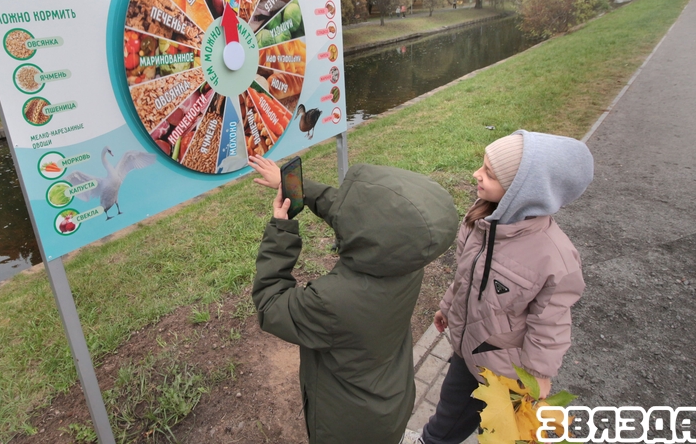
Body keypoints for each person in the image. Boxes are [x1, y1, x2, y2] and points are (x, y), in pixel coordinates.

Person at [249, 155, 459, 444]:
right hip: (390, 401)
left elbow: (271, 304)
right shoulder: (408, 257)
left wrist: (280, 231)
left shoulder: (332, 300)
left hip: (347, 425)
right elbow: (350, 212)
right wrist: (293, 186)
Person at [403, 131, 593, 444]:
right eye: (483, 165)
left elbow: (551, 323)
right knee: (454, 405)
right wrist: (448, 307)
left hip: (501, 368)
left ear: (524, 191)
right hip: (467, 350)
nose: (477, 174)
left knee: (468, 420)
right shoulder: (482, 219)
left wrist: (538, 375)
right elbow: (465, 276)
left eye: (489, 173)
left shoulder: (553, 257)